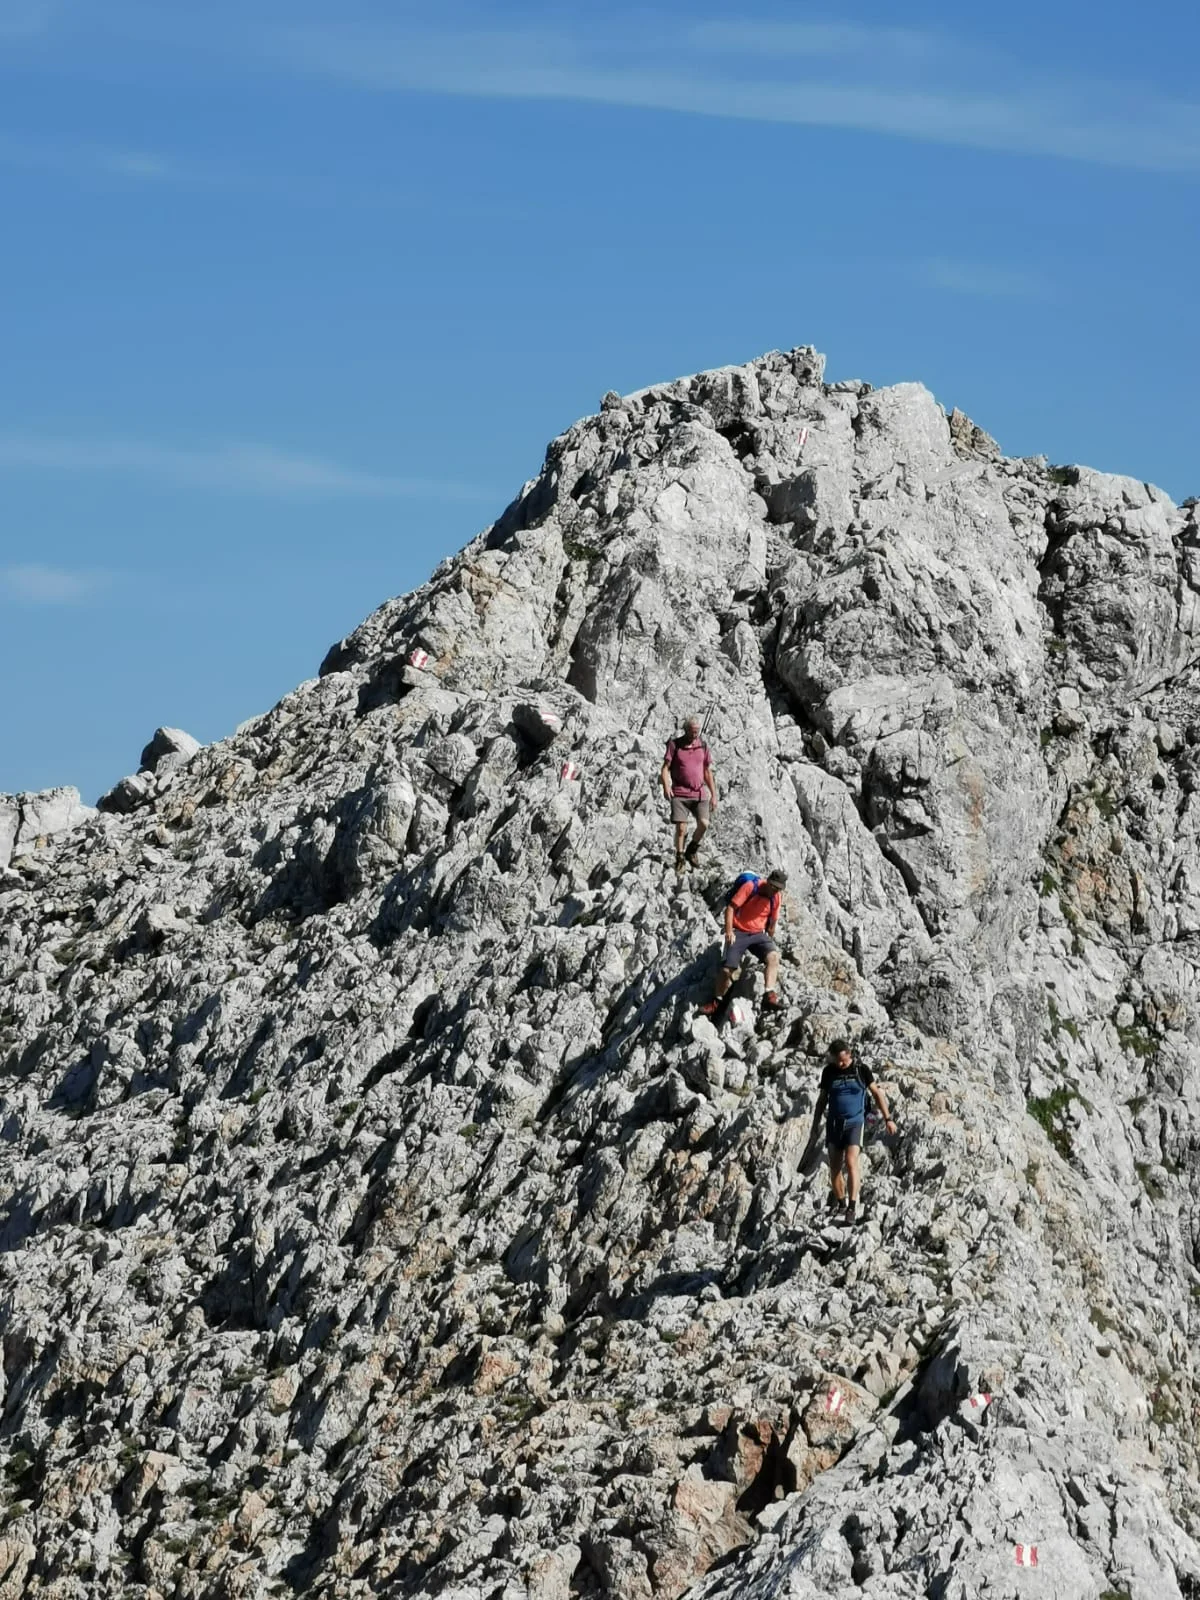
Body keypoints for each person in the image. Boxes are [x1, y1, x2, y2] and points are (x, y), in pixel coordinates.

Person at [813, 1040, 896, 1223]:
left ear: (849, 1054)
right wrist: (814, 1127)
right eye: (837, 1061)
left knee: (851, 1162)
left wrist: (888, 1119)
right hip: (834, 1124)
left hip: (855, 1123)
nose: (841, 1064)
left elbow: (876, 1093)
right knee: (834, 1168)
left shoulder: (861, 1070)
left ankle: (852, 1207)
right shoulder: (829, 1072)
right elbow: (821, 1101)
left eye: (843, 1060)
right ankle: (841, 1204)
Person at [701, 867, 787, 1013]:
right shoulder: (750, 887)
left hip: (758, 934)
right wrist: (729, 931)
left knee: (773, 957)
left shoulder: (776, 897)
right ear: (768, 881)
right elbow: (730, 908)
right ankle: (716, 1001)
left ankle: (769, 995)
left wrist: (768, 943)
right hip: (739, 932)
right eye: (773, 886)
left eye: (778, 888)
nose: (774, 890)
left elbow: (772, 922)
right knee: (727, 969)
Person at [661, 718, 717, 871]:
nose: (695, 735)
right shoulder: (675, 745)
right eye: (692, 732)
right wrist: (666, 786)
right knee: (681, 828)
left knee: (704, 824)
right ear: (685, 730)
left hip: (699, 793)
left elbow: (707, 771)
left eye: (697, 732)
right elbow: (665, 768)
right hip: (679, 793)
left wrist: (713, 794)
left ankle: (691, 850)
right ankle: (679, 857)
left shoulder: (703, 746)